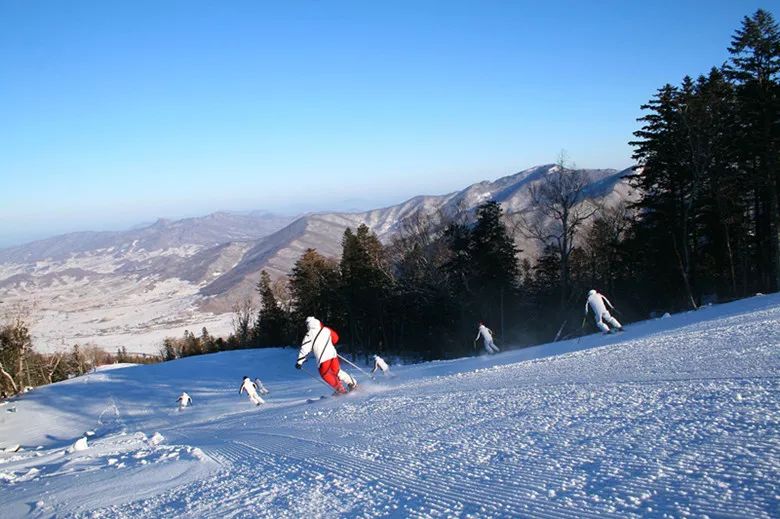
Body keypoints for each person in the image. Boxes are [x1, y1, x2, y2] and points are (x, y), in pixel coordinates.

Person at [295, 316, 356, 394]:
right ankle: (352, 383)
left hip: (323, 358)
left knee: (325, 374)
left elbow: (305, 348)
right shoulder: (326, 329)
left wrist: (299, 362)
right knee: (337, 371)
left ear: (308, 325)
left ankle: (340, 389)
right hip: (333, 354)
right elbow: (336, 338)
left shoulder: (309, 335)